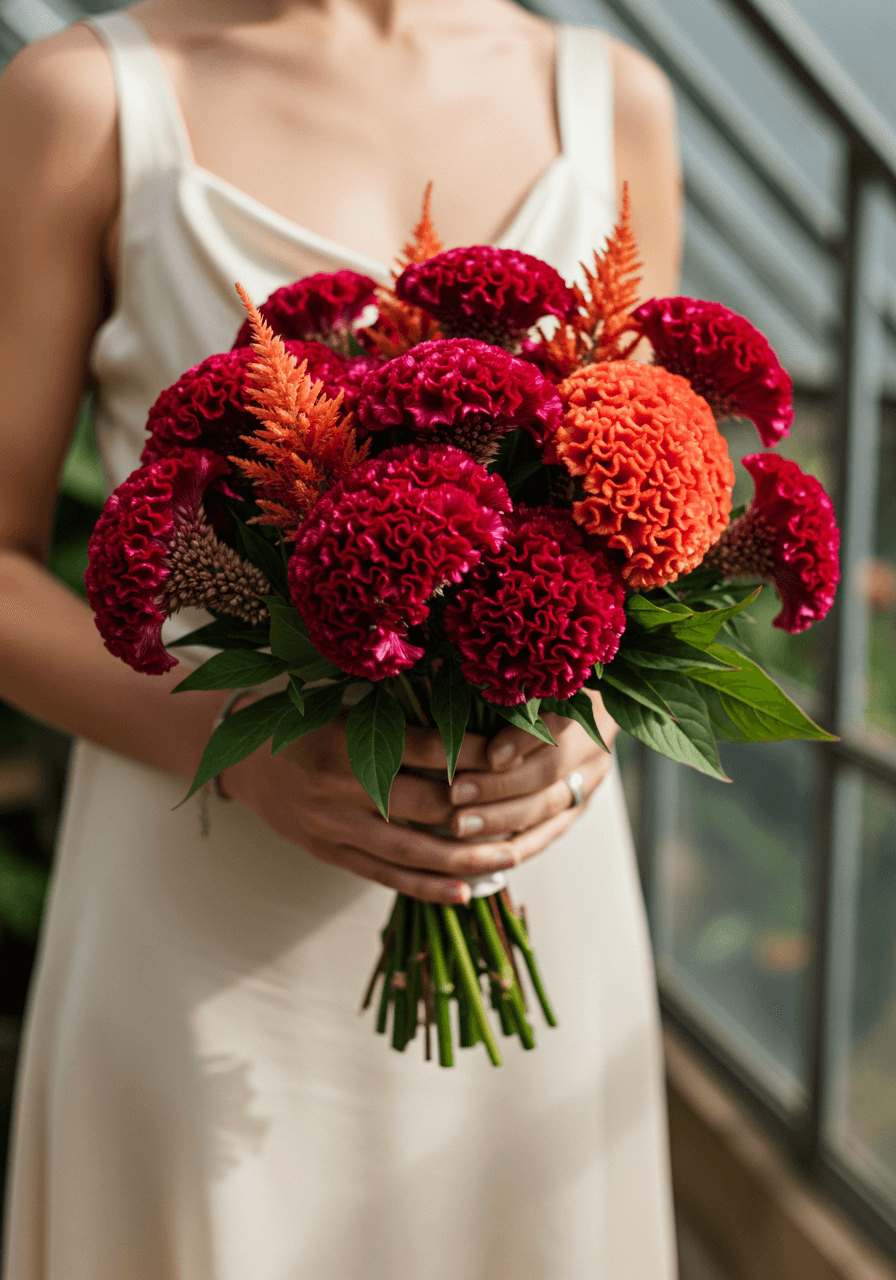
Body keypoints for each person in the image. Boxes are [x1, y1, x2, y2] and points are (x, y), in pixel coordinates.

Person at [0, 2, 682, 1275]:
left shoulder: (611, 99)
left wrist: (585, 730)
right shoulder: (86, 98)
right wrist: (236, 744)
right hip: (198, 899)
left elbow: (657, 502)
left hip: (531, 869)